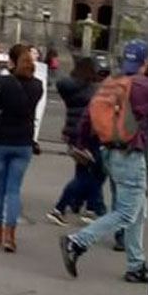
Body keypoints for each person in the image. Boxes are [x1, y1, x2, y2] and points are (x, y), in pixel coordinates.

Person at [59, 39, 148, 283]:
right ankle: (77, 241)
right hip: (130, 154)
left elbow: (88, 115)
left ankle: (136, 265)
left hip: (109, 151)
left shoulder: (111, 82)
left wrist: (80, 143)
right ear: (146, 61)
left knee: (137, 211)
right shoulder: (143, 84)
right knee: (127, 212)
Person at [0, 44, 43, 252]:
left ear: (11, 60)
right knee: (14, 190)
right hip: (23, 141)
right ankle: (10, 236)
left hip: (1, 138)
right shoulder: (37, 85)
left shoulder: (2, 82)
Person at [47, 57, 105, 226]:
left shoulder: (69, 87)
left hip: (73, 132)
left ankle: (89, 207)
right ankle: (64, 207)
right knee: (93, 173)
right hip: (90, 134)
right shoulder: (91, 89)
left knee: (84, 171)